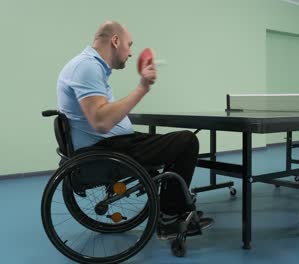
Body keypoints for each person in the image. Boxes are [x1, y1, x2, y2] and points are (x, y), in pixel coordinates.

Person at [56, 20, 213, 239]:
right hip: (109, 149)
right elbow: (101, 121)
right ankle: (169, 217)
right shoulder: (87, 67)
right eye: (129, 45)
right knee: (186, 141)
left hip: (113, 144)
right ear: (115, 41)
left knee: (170, 144)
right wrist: (142, 88)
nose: (131, 53)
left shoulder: (90, 67)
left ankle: (170, 205)